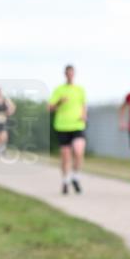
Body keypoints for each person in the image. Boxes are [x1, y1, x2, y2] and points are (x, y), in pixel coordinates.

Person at [49, 65, 87, 195]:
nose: (70, 75)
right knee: (65, 156)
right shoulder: (59, 90)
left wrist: (84, 115)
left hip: (77, 125)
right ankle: (65, 181)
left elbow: (83, 105)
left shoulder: (80, 90)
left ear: (74, 74)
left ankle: (75, 176)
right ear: (65, 74)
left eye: (72, 73)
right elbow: (50, 108)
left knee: (78, 151)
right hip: (63, 126)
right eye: (68, 73)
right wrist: (59, 101)